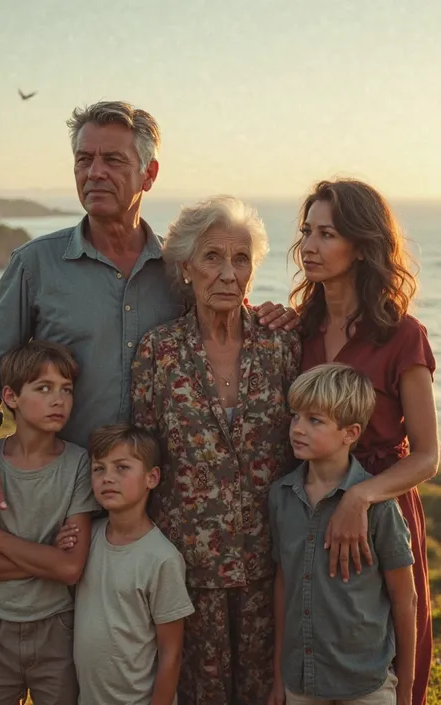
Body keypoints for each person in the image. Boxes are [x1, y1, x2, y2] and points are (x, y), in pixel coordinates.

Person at [0, 100, 289, 544]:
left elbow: (226, 323)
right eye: (84, 159)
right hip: (61, 506)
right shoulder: (34, 264)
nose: (94, 171)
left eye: (113, 160)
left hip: (159, 515)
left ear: (149, 175)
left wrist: (278, 315)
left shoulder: (182, 269)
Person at [131, 195, 301, 705]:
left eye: (241, 258)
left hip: (269, 571)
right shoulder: (157, 351)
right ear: (186, 266)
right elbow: (144, 456)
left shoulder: (282, 346)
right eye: (212, 257)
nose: (229, 272)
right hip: (186, 571)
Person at [290, 179, 439, 705]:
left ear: (363, 244)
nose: (309, 245)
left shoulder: (403, 335)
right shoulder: (295, 330)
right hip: (308, 508)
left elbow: (427, 454)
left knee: (387, 649)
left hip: (382, 512)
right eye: (307, 231)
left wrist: (361, 496)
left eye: (327, 234)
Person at [268, 363, 417, 705]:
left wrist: (406, 690)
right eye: (295, 417)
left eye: (315, 420)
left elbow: (404, 600)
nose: (298, 429)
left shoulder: (378, 507)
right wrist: (279, 675)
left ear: (350, 433)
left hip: (367, 684)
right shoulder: (280, 497)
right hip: (300, 681)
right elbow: (282, 582)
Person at [0, 340, 97, 705]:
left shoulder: (78, 465)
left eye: (66, 390)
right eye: (43, 388)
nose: (59, 400)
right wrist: (45, 558)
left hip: (56, 626)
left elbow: (70, 568)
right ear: (10, 396)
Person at [56, 423, 194, 705]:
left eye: (121, 468)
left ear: (151, 477)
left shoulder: (161, 558)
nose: (108, 478)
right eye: (99, 469)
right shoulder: (88, 538)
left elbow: (171, 652)